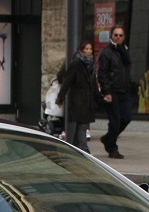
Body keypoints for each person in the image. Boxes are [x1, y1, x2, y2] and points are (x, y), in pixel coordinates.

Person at [56, 40, 98, 153]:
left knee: (81, 125)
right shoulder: (75, 64)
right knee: (82, 125)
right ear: (81, 50)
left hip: (87, 100)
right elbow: (66, 81)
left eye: (90, 49)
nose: (89, 51)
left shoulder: (90, 65)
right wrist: (60, 98)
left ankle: (74, 148)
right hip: (78, 100)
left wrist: (98, 97)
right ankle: (84, 150)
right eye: (86, 49)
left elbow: (93, 83)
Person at [96, 25, 131, 159]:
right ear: (111, 36)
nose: (118, 37)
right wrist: (107, 92)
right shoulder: (106, 52)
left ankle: (108, 138)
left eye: (121, 35)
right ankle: (112, 148)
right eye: (116, 35)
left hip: (124, 90)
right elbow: (102, 73)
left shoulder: (124, 51)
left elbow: (126, 69)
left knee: (126, 117)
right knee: (115, 121)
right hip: (112, 91)